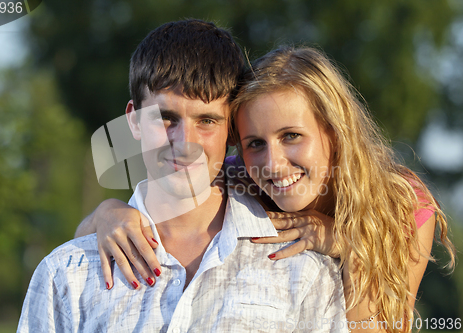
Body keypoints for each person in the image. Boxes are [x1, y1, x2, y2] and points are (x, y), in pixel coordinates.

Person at [76, 45, 456, 332]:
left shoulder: (400, 204)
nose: (272, 164)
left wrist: (349, 245)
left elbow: (380, 327)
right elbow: (80, 243)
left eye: (291, 136)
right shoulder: (235, 175)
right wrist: (109, 212)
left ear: (334, 133)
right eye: (254, 142)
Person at [18, 20, 347, 332]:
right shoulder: (67, 274)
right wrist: (105, 211)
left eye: (207, 121)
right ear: (133, 121)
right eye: (166, 118)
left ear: (231, 130)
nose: (185, 143)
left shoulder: (305, 272)